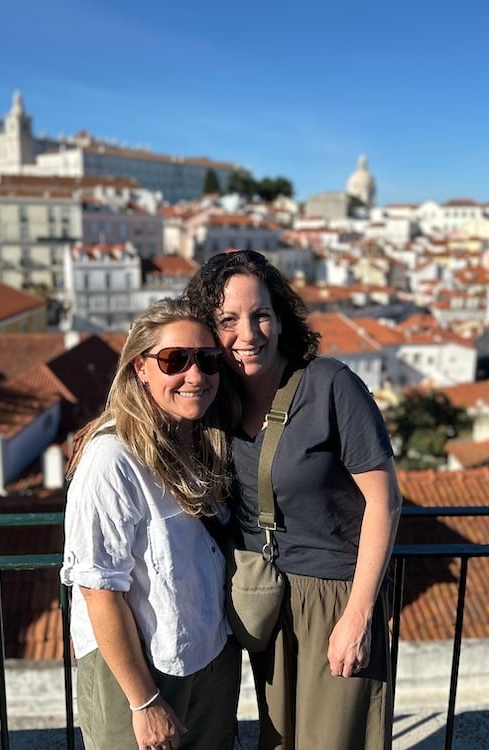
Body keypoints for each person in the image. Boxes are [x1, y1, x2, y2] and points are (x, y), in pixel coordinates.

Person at [184, 251, 402, 750]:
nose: (249, 334)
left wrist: (359, 615)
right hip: (264, 601)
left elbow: (384, 501)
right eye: (228, 321)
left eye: (260, 314)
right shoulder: (213, 400)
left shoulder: (331, 385)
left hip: (334, 598)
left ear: (280, 317)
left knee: (335, 741)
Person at [60, 298, 241, 750]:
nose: (195, 375)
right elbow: (99, 589)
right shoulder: (112, 458)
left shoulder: (204, 443)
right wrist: (145, 702)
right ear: (140, 368)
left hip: (208, 655)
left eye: (208, 360)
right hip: (140, 672)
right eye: (174, 360)